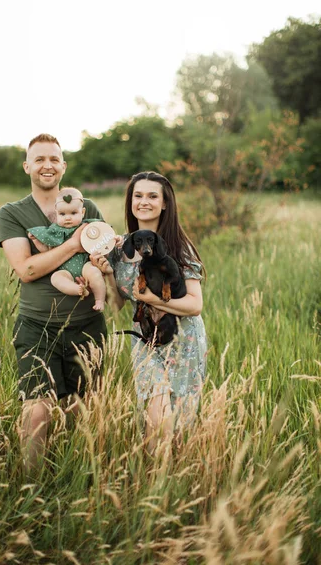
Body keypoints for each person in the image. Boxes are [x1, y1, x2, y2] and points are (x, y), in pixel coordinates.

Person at [0, 134, 107, 477]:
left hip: (87, 324)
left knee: (83, 410)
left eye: (54, 159)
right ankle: (32, 487)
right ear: (27, 166)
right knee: (37, 411)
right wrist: (75, 244)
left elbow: (103, 252)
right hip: (37, 326)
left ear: (63, 166)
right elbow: (27, 270)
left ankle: (78, 480)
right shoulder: (13, 213)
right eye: (40, 159)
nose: (47, 165)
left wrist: (103, 266)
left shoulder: (87, 206)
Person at [91, 171, 207, 456]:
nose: (144, 202)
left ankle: (173, 486)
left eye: (152, 196)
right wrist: (106, 273)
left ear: (165, 203)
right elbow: (119, 306)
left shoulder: (179, 246)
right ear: (130, 201)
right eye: (138, 195)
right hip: (145, 339)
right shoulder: (119, 248)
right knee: (157, 413)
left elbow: (194, 305)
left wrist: (151, 298)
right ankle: (153, 480)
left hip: (183, 339)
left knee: (180, 424)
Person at [27, 186, 110, 312]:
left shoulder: (88, 226)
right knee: (56, 278)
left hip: (85, 264)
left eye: (73, 213)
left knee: (94, 273)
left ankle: (99, 300)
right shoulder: (54, 231)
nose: (67, 218)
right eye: (62, 214)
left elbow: (104, 235)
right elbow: (47, 251)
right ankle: (77, 290)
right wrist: (36, 241)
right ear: (56, 213)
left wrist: (115, 239)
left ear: (82, 212)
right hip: (65, 269)